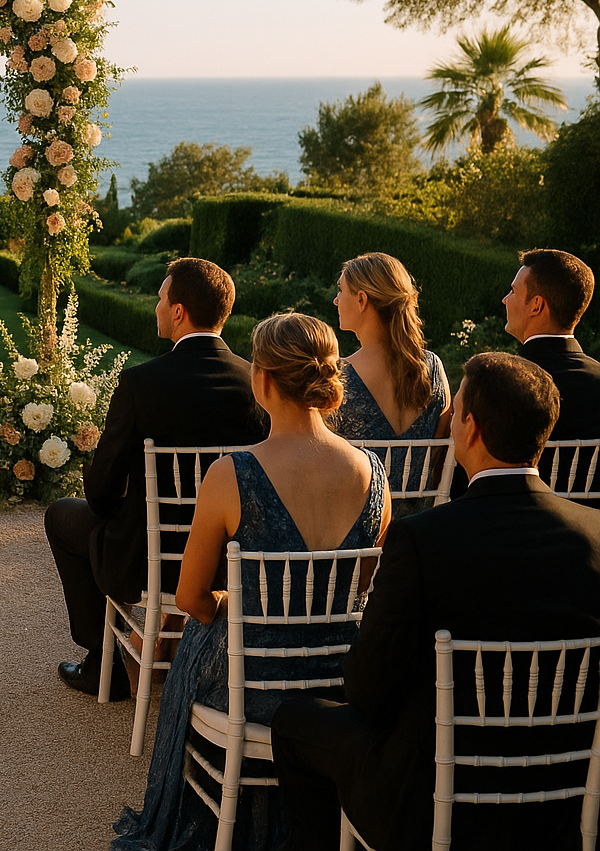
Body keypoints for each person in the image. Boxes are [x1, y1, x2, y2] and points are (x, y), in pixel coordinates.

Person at [271, 352, 600, 851]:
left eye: (455, 412)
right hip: (563, 801)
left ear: (471, 427)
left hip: (430, 802)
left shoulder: (423, 539)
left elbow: (366, 689)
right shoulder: (596, 535)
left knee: (292, 721)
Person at [111, 313, 388, 850]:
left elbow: (190, 598)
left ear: (261, 380)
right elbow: (361, 590)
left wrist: (234, 600)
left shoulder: (230, 473)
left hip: (250, 686)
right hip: (334, 685)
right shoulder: (373, 471)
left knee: (196, 635)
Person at [45, 257, 268, 698]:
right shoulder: (256, 383)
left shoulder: (139, 384)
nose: (156, 308)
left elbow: (103, 492)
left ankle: (101, 661)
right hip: (231, 557)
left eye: (161, 299)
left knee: (62, 516)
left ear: (180, 311)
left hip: (153, 558)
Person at [329, 252, 451, 504]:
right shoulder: (433, 367)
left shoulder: (338, 377)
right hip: (421, 522)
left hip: (357, 532)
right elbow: (440, 457)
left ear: (362, 300)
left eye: (341, 290)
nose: (335, 300)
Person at [504, 248, 600, 501]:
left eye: (513, 291)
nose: (505, 299)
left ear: (536, 305)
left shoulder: (500, 383)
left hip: (518, 527)